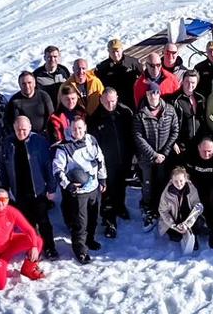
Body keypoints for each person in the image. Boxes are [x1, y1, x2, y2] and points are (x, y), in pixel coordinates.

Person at [0, 116, 58, 259]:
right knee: (27, 224)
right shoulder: (8, 144)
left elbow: (48, 166)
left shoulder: (38, 142)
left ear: (30, 128)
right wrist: (4, 188)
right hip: (19, 190)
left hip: (38, 190)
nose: (21, 132)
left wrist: (51, 187)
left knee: (43, 221)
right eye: (18, 129)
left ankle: (50, 247)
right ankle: (32, 247)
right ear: (13, 128)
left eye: (24, 129)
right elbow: (3, 168)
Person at [51, 118, 107, 262]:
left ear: (85, 127)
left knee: (93, 217)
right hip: (79, 192)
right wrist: (67, 184)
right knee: (80, 222)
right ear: (70, 129)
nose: (78, 132)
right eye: (75, 129)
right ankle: (80, 249)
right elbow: (57, 169)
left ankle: (90, 239)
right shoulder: (64, 147)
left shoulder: (91, 140)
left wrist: (102, 178)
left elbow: (100, 159)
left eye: (80, 128)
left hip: (93, 187)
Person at [0, 189, 46, 290]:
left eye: (3, 199)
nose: (0, 203)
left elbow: (29, 230)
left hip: (11, 244)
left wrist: (33, 246)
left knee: (37, 241)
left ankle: (28, 268)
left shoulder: (12, 211)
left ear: (7, 200)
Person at [86, 88, 136, 238]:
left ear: (117, 98)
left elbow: (132, 135)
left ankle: (120, 206)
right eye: (107, 101)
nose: (110, 104)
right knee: (107, 192)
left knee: (121, 186)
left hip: (124, 158)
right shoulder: (95, 118)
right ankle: (109, 221)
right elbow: (93, 145)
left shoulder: (125, 113)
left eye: (113, 101)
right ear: (101, 99)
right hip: (106, 162)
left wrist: (133, 156)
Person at [134, 91, 181, 227]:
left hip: (164, 156)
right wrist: (154, 154)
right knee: (148, 183)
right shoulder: (140, 114)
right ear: (146, 96)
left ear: (159, 94)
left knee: (161, 182)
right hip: (147, 157)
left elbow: (175, 131)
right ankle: (147, 208)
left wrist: (165, 152)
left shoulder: (169, 110)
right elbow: (138, 136)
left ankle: (160, 208)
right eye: (149, 94)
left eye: (155, 93)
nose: (152, 97)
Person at [158, 167, 204, 244]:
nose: (179, 184)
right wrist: (174, 225)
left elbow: (197, 206)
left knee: (199, 224)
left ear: (185, 179)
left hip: (188, 217)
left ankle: (191, 234)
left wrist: (188, 224)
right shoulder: (166, 193)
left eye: (181, 181)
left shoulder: (192, 189)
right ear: (171, 181)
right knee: (175, 237)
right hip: (174, 219)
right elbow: (163, 211)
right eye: (175, 181)